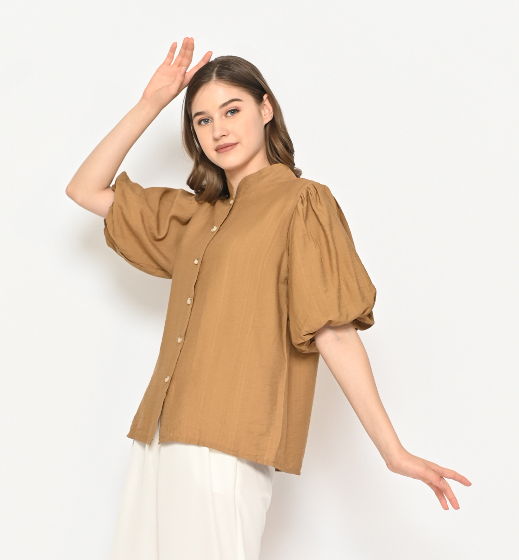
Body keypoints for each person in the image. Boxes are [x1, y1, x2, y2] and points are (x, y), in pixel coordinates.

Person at [66, 37, 471, 560]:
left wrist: (392, 451)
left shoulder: (302, 203)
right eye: (203, 120)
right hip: (159, 437)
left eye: (232, 110)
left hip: (227, 441)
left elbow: (333, 331)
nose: (219, 129)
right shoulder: (196, 216)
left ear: (265, 108)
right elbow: (85, 189)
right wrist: (151, 103)